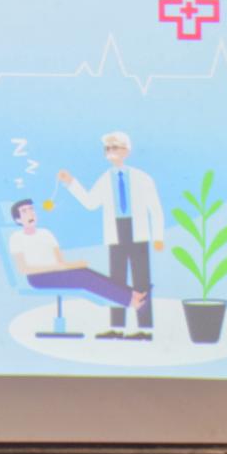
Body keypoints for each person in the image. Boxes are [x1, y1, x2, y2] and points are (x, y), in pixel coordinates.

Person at [58, 131, 163, 338]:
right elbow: (90, 203)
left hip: (138, 231)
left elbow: (155, 208)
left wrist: (158, 236)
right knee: (116, 282)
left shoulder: (142, 178)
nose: (110, 152)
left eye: (114, 147)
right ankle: (117, 327)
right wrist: (71, 183)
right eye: (107, 148)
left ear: (126, 151)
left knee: (142, 280)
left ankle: (145, 329)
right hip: (116, 231)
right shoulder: (105, 179)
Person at [9, 199, 148, 325]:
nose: (30, 213)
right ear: (18, 219)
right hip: (38, 278)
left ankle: (133, 294)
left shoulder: (46, 233)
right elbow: (23, 269)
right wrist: (56, 267)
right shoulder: (16, 238)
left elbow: (60, 261)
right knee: (83, 277)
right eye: (24, 211)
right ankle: (131, 302)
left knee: (85, 272)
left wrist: (66, 266)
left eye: (31, 209)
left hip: (56, 272)